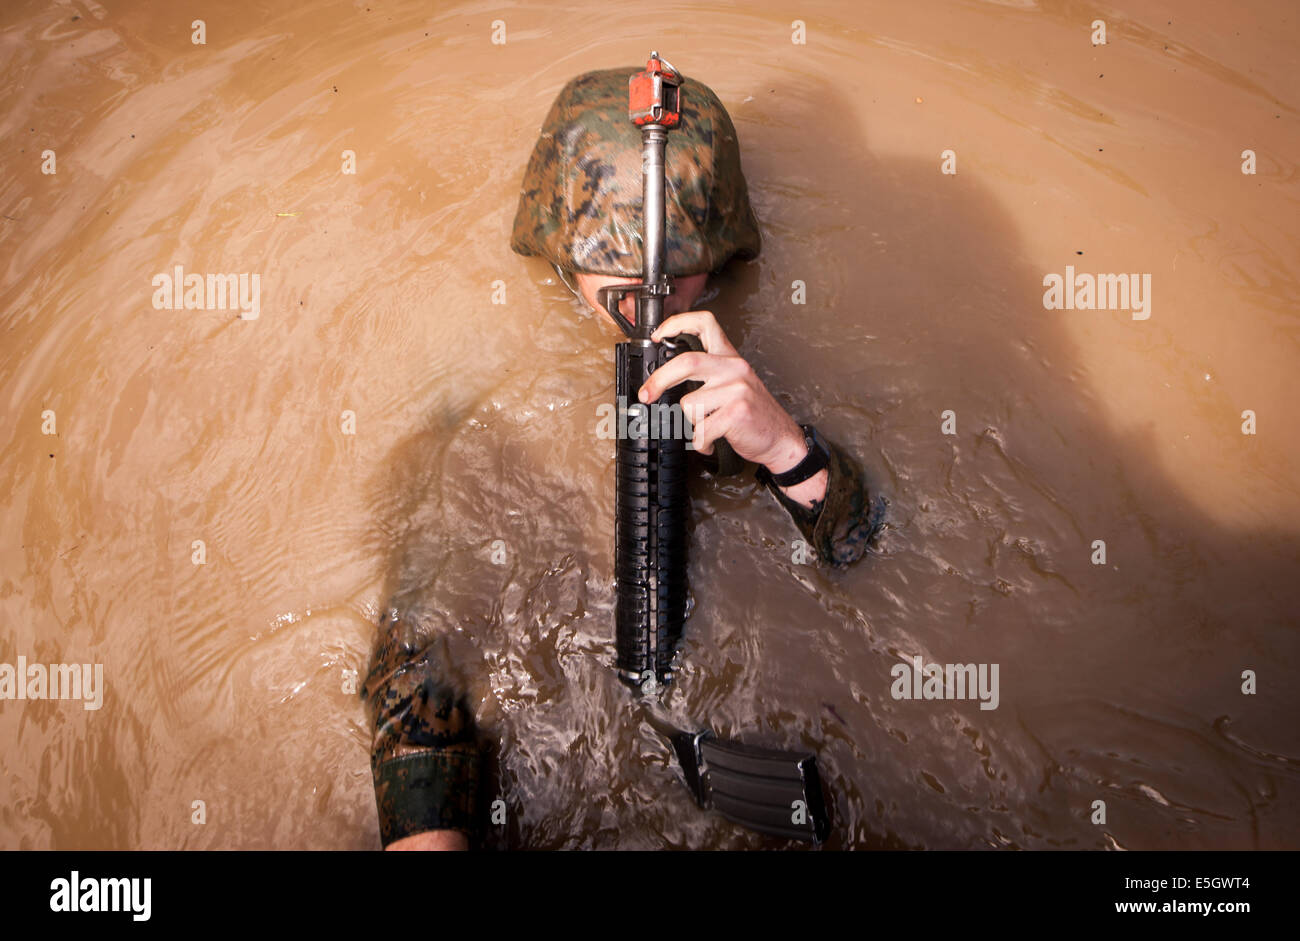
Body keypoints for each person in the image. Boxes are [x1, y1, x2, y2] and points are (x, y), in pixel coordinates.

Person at [362, 66, 886, 851]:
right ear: (562, 256)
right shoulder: (482, 392)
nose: (656, 307)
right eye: (628, 286)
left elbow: (866, 556)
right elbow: (415, 654)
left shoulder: (750, 368)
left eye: (681, 277)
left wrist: (784, 445)